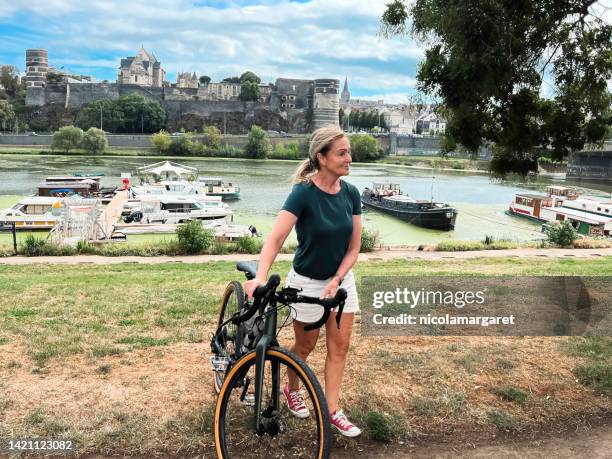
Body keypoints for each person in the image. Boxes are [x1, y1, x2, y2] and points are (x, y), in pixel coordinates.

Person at [244, 125, 362, 438]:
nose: (349, 158)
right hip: (307, 282)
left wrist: (337, 279)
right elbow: (275, 239)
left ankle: (333, 410)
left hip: (341, 283)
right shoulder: (304, 193)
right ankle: (291, 388)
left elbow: (353, 249)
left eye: (348, 151)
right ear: (321, 158)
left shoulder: (351, 194)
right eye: (342, 153)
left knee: (340, 348)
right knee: (306, 345)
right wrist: (260, 276)